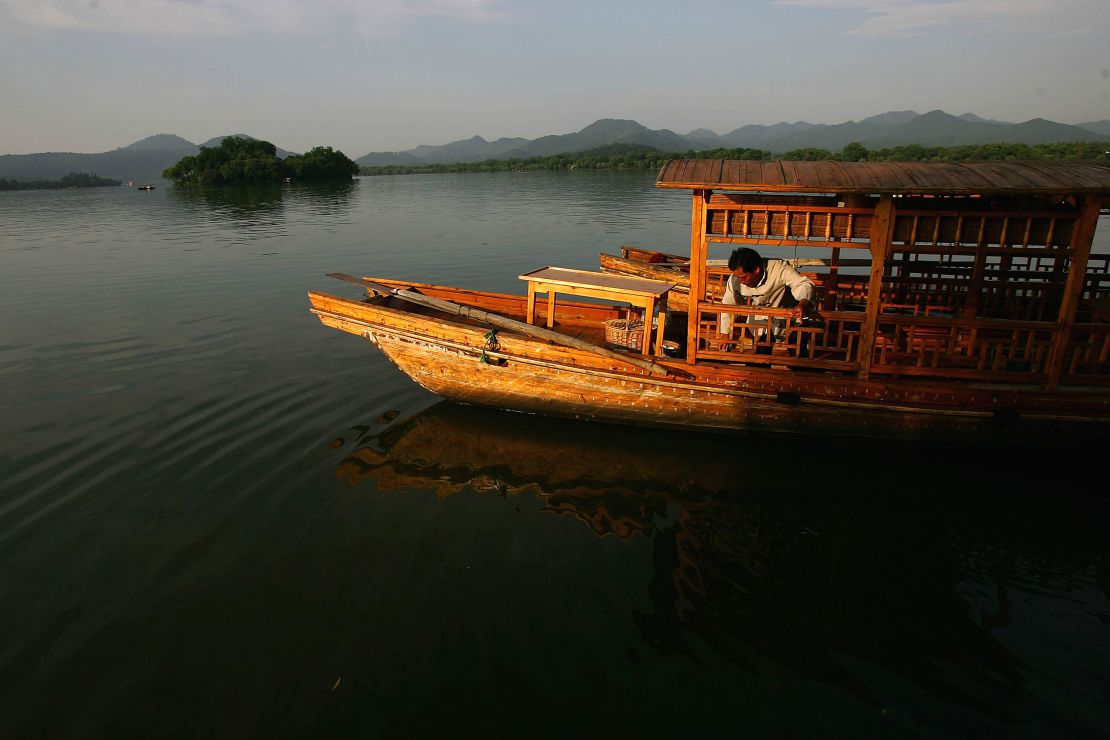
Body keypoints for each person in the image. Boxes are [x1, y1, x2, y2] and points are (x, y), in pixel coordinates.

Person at [719, 247, 817, 345]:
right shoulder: (735, 279)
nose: (741, 281)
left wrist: (803, 303)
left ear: (756, 270)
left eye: (744, 278)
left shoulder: (779, 268)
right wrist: (725, 334)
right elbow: (728, 305)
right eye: (738, 278)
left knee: (798, 352)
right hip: (760, 319)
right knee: (761, 351)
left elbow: (803, 284)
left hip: (790, 315)